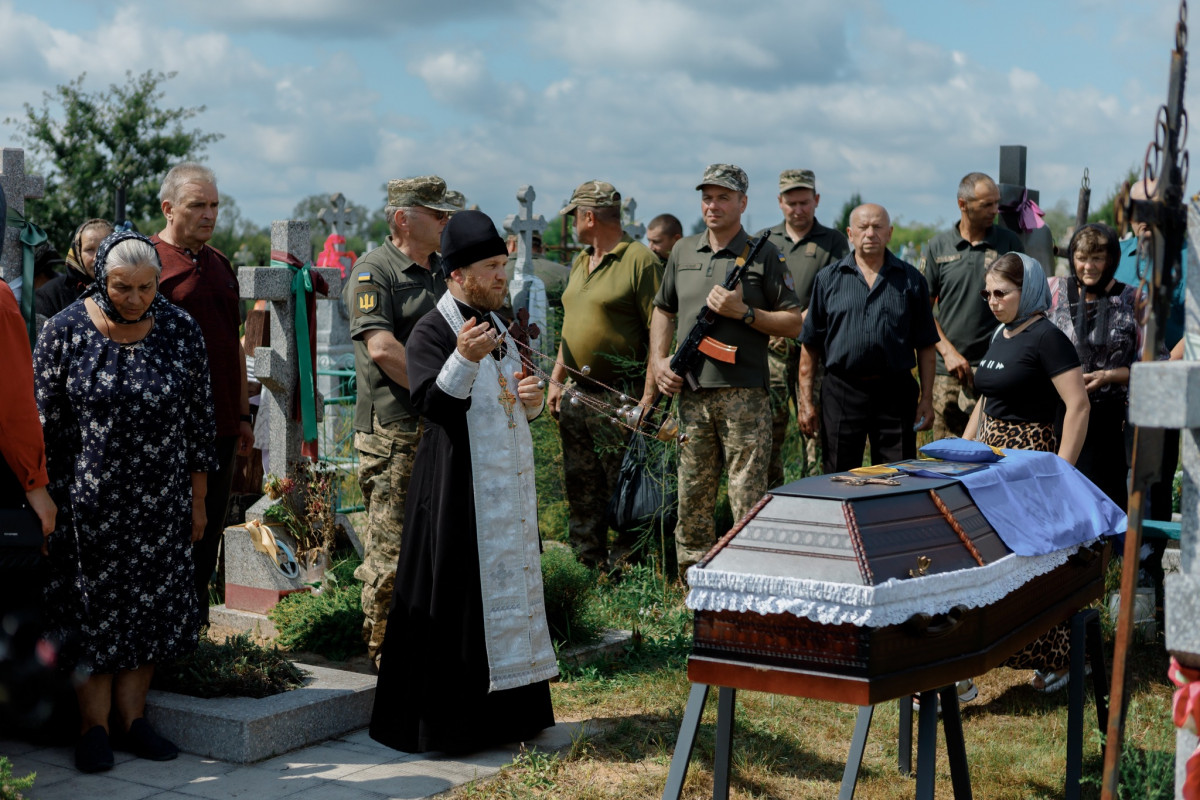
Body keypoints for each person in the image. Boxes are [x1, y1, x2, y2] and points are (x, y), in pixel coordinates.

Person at [369, 209, 556, 754]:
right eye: (491, 267)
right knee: (456, 598)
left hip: (502, 488)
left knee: (499, 596)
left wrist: (533, 402)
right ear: (457, 274)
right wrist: (462, 360)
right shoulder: (432, 328)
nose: (502, 276)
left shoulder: (499, 324)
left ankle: (510, 718)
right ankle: (453, 726)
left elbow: (515, 398)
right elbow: (430, 405)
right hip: (455, 489)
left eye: (503, 264)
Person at [35, 230, 217, 771]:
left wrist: (199, 498)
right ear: (99, 278)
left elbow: (200, 421)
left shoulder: (180, 330)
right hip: (87, 506)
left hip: (161, 502)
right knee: (93, 616)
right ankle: (93, 727)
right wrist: (45, 500)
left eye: (145, 287)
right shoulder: (66, 332)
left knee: (151, 611)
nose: (135, 298)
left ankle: (133, 721)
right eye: (122, 288)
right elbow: (43, 425)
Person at [650, 164, 802, 580]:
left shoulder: (765, 254)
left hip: (744, 396)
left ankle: (748, 583)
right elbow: (663, 310)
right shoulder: (682, 251)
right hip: (691, 395)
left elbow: (795, 322)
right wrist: (659, 363)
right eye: (707, 197)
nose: (712, 205)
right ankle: (693, 585)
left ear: (743, 203)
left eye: (723, 197)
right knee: (693, 494)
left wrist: (745, 313)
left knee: (746, 495)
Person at [344, 175, 455, 669]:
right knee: (390, 550)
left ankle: (428, 646)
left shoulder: (444, 269)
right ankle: (383, 654)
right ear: (402, 218)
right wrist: (443, 390)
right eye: (439, 214)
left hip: (440, 422)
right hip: (394, 429)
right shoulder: (375, 271)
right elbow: (383, 348)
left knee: (436, 543)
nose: (446, 222)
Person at [965, 252, 1090, 693]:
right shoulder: (1001, 333)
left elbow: (1078, 405)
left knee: (1024, 561)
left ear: (1029, 291)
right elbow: (985, 401)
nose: (992, 301)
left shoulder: (1048, 338)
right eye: (988, 293)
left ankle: (1059, 656)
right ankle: (974, 652)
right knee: (982, 556)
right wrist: (961, 451)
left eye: (1002, 293)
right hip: (987, 456)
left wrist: (1061, 472)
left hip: (1026, 459)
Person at [151, 163, 253, 625]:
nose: (210, 214)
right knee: (169, 539)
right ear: (169, 208)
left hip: (222, 429)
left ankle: (192, 639)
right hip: (168, 431)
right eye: (198, 205)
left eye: (215, 205)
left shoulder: (220, 264)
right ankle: (159, 643)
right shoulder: (145, 263)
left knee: (207, 536)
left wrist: (243, 415)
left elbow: (234, 344)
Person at [550, 180, 662, 569]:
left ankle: (629, 567)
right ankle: (588, 565)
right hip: (578, 395)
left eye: (573, 218)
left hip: (620, 396)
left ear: (589, 216)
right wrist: (556, 377)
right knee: (581, 485)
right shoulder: (582, 261)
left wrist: (647, 398)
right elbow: (571, 325)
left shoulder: (640, 260)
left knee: (623, 486)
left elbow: (659, 331)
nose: (570, 227)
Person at [797, 203, 937, 473]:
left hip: (895, 391)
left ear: (889, 233)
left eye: (877, 227)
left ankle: (892, 517)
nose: (870, 233)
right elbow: (810, 346)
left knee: (896, 475)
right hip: (841, 391)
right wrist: (806, 403)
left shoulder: (911, 280)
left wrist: (927, 399)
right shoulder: (828, 279)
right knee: (838, 474)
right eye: (863, 227)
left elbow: (927, 346)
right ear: (850, 233)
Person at [759, 169, 850, 484]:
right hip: (772, 350)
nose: (798, 210)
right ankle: (771, 498)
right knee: (770, 427)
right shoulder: (764, 240)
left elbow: (839, 289)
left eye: (804, 203)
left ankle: (818, 491)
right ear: (780, 202)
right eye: (791, 203)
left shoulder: (834, 242)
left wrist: (801, 319)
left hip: (815, 349)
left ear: (817, 201)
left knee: (816, 427)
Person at [920, 173, 1024, 440]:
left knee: (992, 453)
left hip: (998, 370)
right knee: (947, 459)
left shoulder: (1009, 243)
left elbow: (1026, 302)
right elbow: (921, 309)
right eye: (986, 205)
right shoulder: (937, 247)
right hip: (950, 373)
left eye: (996, 203)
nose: (995, 211)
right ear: (962, 204)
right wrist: (948, 352)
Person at [1047, 224, 1140, 507]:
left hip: (1108, 419)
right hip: (1057, 415)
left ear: (1111, 259)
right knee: (1060, 495)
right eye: (1081, 257)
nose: (1088, 266)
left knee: (1103, 501)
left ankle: (1108, 552)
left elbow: (1153, 365)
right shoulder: (1053, 289)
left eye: (1097, 258)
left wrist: (1109, 375)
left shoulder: (1133, 299)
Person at [36, 219, 115, 320]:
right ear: (77, 253)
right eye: (89, 249)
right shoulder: (50, 295)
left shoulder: (130, 290)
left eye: (105, 248)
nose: (97, 257)